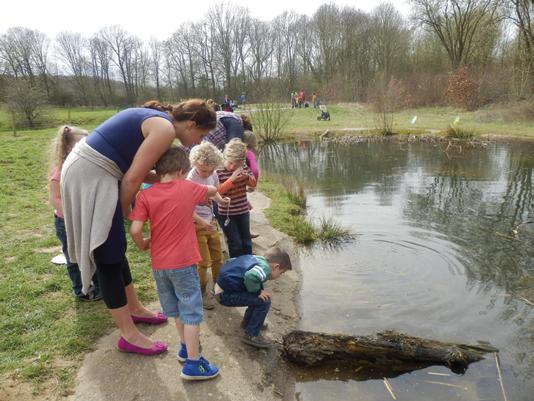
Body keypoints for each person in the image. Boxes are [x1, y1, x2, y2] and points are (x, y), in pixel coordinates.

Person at [61, 99, 216, 356]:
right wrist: (126, 214)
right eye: (201, 134)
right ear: (190, 124)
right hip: (89, 175)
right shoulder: (165, 130)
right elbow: (132, 178)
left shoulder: (161, 124)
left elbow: (140, 172)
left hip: (99, 173)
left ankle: (134, 308)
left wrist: (171, 184)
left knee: (116, 248)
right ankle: (128, 335)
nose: (198, 141)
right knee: (108, 254)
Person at [130, 146, 223, 380]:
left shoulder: (146, 195)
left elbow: (135, 229)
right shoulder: (188, 188)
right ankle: (193, 364)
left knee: (177, 310)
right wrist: (213, 187)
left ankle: (185, 347)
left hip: (160, 265)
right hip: (183, 263)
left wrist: (142, 244)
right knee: (191, 311)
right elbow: (213, 189)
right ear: (183, 170)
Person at [49, 125, 101, 302]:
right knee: (73, 257)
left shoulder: (84, 167)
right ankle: (80, 289)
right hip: (67, 223)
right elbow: (55, 198)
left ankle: (99, 286)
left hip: (86, 219)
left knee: (92, 253)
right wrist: (72, 217)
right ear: (69, 147)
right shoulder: (60, 172)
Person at [214, 246, 292, 348]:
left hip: (220, 288)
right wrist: (257, 292)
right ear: (276, 267)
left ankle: (249, 323)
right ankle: (251, 334)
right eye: (281, 273)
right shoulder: (265, 269)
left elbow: (232, 261)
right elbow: (250, 276)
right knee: (264, 301)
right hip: (225, 295)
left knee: (259, 288)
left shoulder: (256, 259)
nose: (280, 276)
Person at [186, 142, 228, 310]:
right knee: (203, 262)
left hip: (211, 222)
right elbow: (186, 208)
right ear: (194, 164)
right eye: (204, 170)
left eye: (211, 170)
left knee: (218, 258)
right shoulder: (190, 179)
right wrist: (202, 222)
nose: (208, 173)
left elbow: (214, 191)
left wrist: (220, 200)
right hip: (196, 225)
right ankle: (202, 292)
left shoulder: (212, 172)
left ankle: (218, 288)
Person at [216, 139, 257, 258]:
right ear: (225, 157)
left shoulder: (243, 167)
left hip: (243, 210)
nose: (233, 167)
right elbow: (218, 191)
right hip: (226, 213)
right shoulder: (218, 170)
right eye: (230, 163)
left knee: (246, 240)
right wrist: (231, 180)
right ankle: (236, 265)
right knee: (235, 242)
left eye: (236, 164)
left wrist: (248, 177)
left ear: (242, 162)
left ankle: (248, 263)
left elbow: (253, 184)